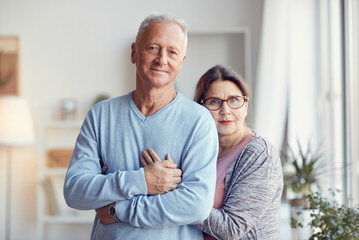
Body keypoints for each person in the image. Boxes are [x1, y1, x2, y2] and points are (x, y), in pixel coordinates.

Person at [63, 14, 219, 240]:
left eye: (172, 52)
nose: (162, 59)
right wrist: (142, 181)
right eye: (153, 48)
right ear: (134, 52)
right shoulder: (100, 115)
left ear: (182, 61)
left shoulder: (199, 121)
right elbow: (76, 191)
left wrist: (117, 210)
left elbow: (196, 205)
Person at [141, 65, 283, 239]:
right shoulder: (196, 149)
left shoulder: (260, 155)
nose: (226, 110)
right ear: (200, 109)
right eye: (214, 101)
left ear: (245, 105)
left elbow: (231, 228)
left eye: (234, 100)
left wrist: (171, 190)